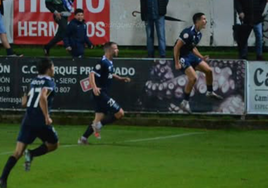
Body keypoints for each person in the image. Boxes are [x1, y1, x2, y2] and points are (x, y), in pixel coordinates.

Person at [0, 59, 58, 188]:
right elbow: (43, 97)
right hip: (40, 120)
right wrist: (47, 116)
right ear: (48, 69)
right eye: (53, 67)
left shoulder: (32, 81)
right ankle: (32, 154)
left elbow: (24, 103)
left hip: (28, 119)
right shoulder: (49, 82)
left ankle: (2, 180)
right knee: (54, 144)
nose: (54, 69)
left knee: (17, 152)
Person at [78, 42, 131, 144]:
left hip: (103, 93)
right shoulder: (102, 62)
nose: (117, 50)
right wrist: (94, 87)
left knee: (97, 120)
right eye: (115, 49)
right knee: (120, 113)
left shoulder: (109, 62)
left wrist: (120, 78)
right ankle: (99, 126)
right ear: (109, 50)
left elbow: (110, 73)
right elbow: (92, 74)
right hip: (100, 93)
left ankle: (83, 139)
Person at [173, 13, 222, 114]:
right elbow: (176, 47)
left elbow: (193, 47)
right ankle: (184, 102)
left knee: (208, 70)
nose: (206, 21)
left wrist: (201, 57)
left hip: (190, 55)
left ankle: (209, 91)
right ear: (197, 21)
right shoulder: (187, 33)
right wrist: (177, 62)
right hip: (182, 57)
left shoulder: (199, 34)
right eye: (204, 19)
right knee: (193, 78)